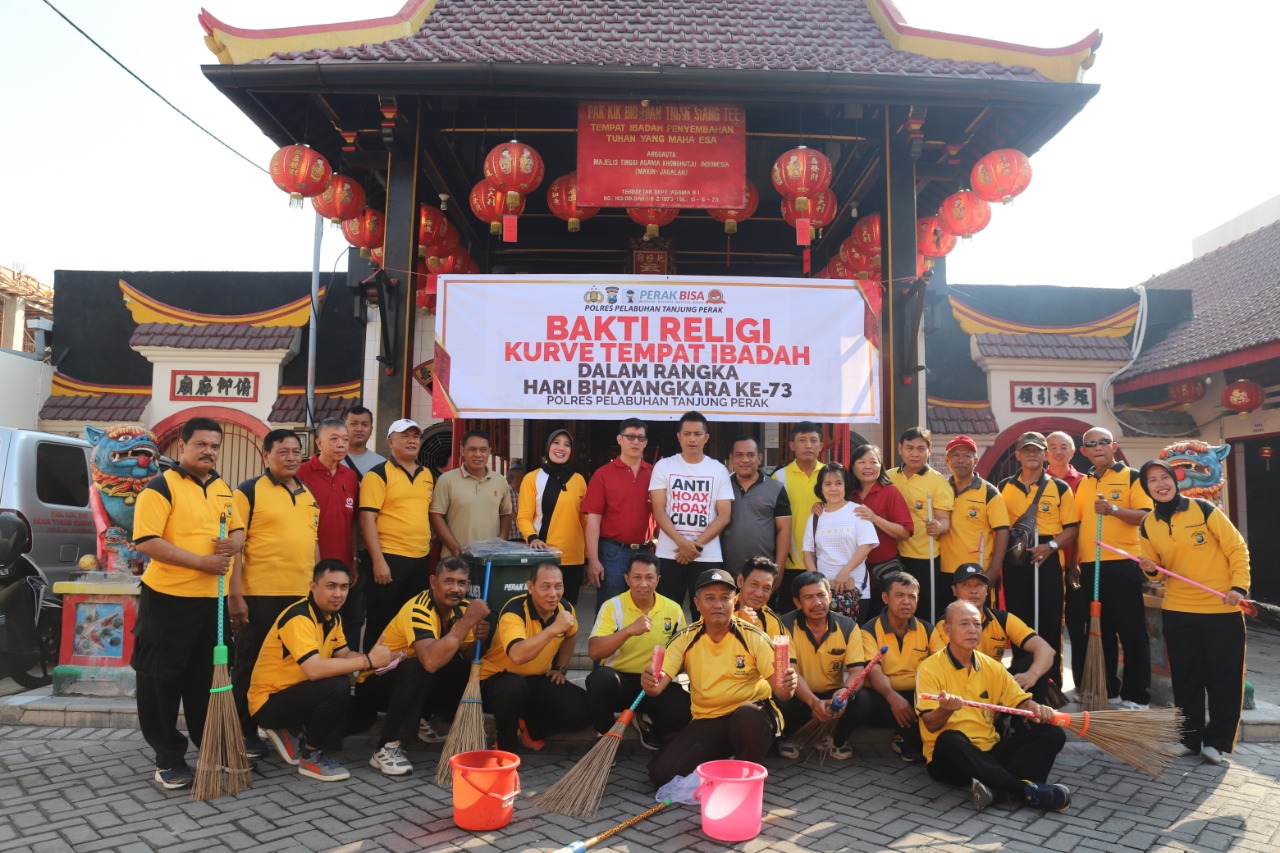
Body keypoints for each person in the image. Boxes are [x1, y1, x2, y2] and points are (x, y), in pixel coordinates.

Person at [131, 417, 246, 790]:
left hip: (210, 604)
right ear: (182, 446)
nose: (209, 451)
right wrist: (201, 563)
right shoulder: (160, 488)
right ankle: (169, 757)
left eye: (215, 445)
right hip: (167, 601)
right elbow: (147, 541)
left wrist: (235, 544)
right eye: (201, 444)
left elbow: (240, 529)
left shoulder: (223, 488)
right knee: (160, 683)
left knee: (207, 683)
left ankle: (211, 747)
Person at [1138, 459, 1250, 765]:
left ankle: (1218, 742)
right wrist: (1149, 570)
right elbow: (1156, 573)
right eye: (1152, 481)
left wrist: (1239, 587)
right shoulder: (1148, 524)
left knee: (1223, 678)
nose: (1160, 484)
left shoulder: (1203, 510)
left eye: (1165, 477)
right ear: (1146, 488)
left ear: (1175, 480)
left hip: (1221, 609)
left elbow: (1236, 548)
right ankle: (1189, 738)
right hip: (1178, 610)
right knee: (1186, 678)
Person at [644, 568, 797, 787]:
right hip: (708, 719)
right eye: (710, 598)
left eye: (725, 598)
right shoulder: (684, 639)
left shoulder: (754, 637)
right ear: (697, 603)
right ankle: (725, 760)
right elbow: (657, 687)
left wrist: (788, 686)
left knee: (748, 716)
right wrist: (649, 682)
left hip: (750, 716)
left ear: (734, 601)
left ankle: (744, 771)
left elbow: (782, 691)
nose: (718, 605)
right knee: (661, 775)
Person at [917, 600, 1071, 813]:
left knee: (1052, 734)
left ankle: (998, 791)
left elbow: (1021, 701)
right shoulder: (928, 668)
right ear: (947, 629)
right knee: (950, 738)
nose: (972, 630)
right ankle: (1025, 790)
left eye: (977, 624)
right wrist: (946, 709)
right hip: (952, 760)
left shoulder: (992, 666)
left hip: (990, 752)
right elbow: (930, 724)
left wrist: (1037, 708)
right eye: (964, 624)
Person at [249, 561, 391, 782]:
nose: (338, 594)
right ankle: (311, 755)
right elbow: (314, 670)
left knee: (363, 713)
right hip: (269, 702)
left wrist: (376, 661)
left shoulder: (332, 617)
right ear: (313, 586)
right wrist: (367, 660)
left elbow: (343, 655)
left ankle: (297, 732)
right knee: (337, 686)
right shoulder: (299, 617)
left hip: (298, 695)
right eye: (331, 586)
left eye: (344, 587)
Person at [228, 429, 321, 758]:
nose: (292, 457)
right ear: (266, 455)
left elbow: (313, 545)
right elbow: (235, 548)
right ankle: (242, 729)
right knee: (249, 665)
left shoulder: (308, 495)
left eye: (297, 451)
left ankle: (279, 723)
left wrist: (317, 589)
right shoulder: (248, 492)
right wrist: (235, 594)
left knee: (290, 665)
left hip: (299, 598)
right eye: (283, 451)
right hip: (259, 594)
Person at [363, 556, 490, 776]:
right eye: (448, 581)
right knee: (419, 666)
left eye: (461, 583)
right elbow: (430, 662)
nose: (455, 589)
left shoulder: (464, 608)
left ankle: (427, 717)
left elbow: (469, 656)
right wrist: (468, 622)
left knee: (464, 669)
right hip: (375, 683)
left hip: (410, 683)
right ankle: (386, 748)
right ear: (433, 582)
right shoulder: (419, 608)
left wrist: (481, 638)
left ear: (468, 585)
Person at [1074, 427, 1154, 710]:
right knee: (1100, 630)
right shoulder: (1084, 483)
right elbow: (1079, 524)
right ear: (1083, 451)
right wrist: (1074, 564)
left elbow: (1146, 516)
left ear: (1114, 446)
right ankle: (1108, 690)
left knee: (1131, 632)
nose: (1098, 447)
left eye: (1103, 442)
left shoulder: (1132, 477)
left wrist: (1114, 510)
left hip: (1122, 563)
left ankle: (1137, 696)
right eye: (1091, 444)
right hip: (1091, 565)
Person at [479, 561, 589, 753]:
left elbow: (571, 636)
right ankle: (506, 747)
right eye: (545, 587)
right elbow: (518, 655)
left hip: (535, 680)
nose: (553, 594)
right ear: (531, 587)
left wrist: (561, 668)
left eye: (558, 586)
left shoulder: (565, 608)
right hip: (497, 680)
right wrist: (554, 628)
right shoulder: (514, 611)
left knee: (584, 709)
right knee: (512, 687)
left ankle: (530, 728)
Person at [586, 553, 690, 750]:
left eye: (649, 578)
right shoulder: (612, 606)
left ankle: (645, 720)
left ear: (658, 580)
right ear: (627, 579)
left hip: (653, 683)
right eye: (637, 577)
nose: (643, 584)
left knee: (684, 706)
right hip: (620, 682)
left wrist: (662, 675)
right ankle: (604, 734)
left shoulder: (674, 609)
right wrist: (628, 631)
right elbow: (594, 652)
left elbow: (683, 658)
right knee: (600, 679)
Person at [998, 431, 1078, 682]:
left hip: (1048, 558)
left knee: (1049, 620)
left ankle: (1050, 680)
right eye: (1027, 450)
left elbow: (1073, 528)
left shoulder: (1060, 487)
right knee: (1019, 620)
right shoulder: (1004, 487)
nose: (1032, 454)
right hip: (1016, 560)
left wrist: (1051, 546)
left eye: (1037, 450)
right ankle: (1022, 676)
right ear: (1018, 455)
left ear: (1045, 455)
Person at [848, 571, 943, 762]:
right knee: (863, 699)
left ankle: (908, 740)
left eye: (912, 596)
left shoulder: (928, 629)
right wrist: (892, 697)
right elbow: (874, 671)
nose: (906, 602)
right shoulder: (868, 630)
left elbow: (943, 665)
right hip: (883, 696)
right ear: (885, 598)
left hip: (917, 696)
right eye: (899, 595)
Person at [359, 419, 435, 653]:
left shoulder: (427, 475)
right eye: (405, 436)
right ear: (390, 442)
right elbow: (366, 519)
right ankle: (370, 679)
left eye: (415, 436)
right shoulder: (378, 475)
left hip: (420, 559)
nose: (412, 440)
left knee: (412, 621)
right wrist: (378, 561)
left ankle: (401, 673)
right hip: (389, 559)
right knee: (381, 621)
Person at [931, 564, 1057, 703]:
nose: (973, 591)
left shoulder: (1003, 619)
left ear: (986, 589)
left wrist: (1032, 675)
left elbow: (1046, 650)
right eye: (966, 585)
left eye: (979, 585)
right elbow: (952, 670)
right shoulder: (946, 625)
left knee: (1036, 661)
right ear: (954, 590)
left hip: (997, 683)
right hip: (965, 691)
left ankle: (1026, 721)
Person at [777, 571, 867, 761]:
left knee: (863, 699)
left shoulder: (849, 626)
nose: (817, 603)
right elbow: (789, 670)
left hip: (833, 696)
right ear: (797, 602)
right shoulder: (783, 625)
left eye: (821, 595)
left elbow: (857, 671)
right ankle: (794, 737)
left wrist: (844, 693)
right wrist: (812, 702)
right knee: (782, 689)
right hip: (800, 696)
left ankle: (836, 740)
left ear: (830, 596)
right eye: (808, 597)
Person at [650, 411, 734, 611]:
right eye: (687, 434)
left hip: (707, 555)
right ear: (679, 436)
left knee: (706, 614)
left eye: (697, 434)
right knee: (667, 613)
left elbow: (724, 515)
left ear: (706, 438)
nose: (692, 439)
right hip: (670, 553)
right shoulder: (664, 466)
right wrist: (682, 544)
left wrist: (695, 547)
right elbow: (658, 510)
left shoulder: (718, 469)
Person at [297, 418, 362, 649]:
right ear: (319, 443)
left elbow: (354, 522)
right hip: (310, 564)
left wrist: (354, 560)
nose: (341, 445)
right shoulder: (301, 473)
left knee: (347, 620)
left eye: (345, 439)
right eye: (334, 439)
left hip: (343, 563)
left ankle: (347, 669)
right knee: (311, 619)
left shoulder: (351, 476)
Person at [583, 417, 655, 614]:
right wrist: (593, 560)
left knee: (642, 611)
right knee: (610, 610)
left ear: (646, 442)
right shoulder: (603, 474)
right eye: (630, 436)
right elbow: (594, 519)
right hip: (612, 552)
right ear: (619, 439)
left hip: (644, 552)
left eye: (640, 437)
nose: (635, 441)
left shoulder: (655, 474)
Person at [937, 435, 1009, 623]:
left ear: (975, 460)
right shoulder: (940, 489)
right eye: (955, 455)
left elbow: (1002, 531)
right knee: (947, 624)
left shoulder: (990, 492)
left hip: (976, 573)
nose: (960, 460)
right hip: (944, 570)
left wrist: (993, 570)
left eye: (967, 455)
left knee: (977, 624)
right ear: (947, 460)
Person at [887, 427, 953, 620]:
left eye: (920, 448)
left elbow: (945, 520)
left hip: (924, 556)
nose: (915, 454)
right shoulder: (888, 477)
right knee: (894, 608)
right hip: (893, 555)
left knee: (923, 609)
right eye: (909, 448)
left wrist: (938, 527)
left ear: (929, 450)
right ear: (900, 448)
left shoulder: (939, 482)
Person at [518, 429, 588, 606]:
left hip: (573, 558)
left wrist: (587, 557)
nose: (561, 448)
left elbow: (585, 521)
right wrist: (532, 537)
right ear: (548, 446)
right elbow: (523, 517)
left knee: (567, 612)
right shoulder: (531, 478)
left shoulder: (578, 480)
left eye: (567, 444)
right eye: (556, 442)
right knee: (541, 610)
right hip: (544, 555)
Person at [802, 463, 879, 621]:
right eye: (828, 484)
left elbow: (866, 546)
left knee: (853, 638)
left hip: (856, 588)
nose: (833, 489)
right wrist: (817, 581)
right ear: (821, 488)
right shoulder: (815, 517)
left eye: (838, 483)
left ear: (846, 486)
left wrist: (844, 572)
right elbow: (808, 551)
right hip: (824, 593)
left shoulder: (857, 512)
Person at [848, 444, 913, 621]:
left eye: (873, 462)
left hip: (884, 572)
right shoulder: (846, 494)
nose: (868, 467)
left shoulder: (890, 492)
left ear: (881, 466)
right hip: (852, 573)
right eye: (862, 462)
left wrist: (875, 518)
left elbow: (905, 532)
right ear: (853, 466)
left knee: (884, 621)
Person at [430, 428, 513, 558]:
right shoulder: (446, 480)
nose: (478, 454)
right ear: (462, 450)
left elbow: (506, 514)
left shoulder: (500, 481)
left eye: (483, 450)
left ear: (489, 452)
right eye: (472, 449)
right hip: (455, 558)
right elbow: (435, 515)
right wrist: (454, 547)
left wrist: (501, 544)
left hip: (489, 559)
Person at [1046, 431, 1089, 680]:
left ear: (1073, 452)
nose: (1058, 451)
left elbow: (1084, 525)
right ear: (1045, 453)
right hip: (1048, 562)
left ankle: (1083, 680)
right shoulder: (1038, 481)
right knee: (1050, 624)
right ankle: (1052, 680)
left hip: (1079, 564)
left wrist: (1076, 562)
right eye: (1052, 447)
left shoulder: (1085, 482)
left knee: (1078, 625)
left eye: (1064, 446)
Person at [721, 436, 791, 576]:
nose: (745, 460)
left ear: (759, 458)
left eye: (751, 455)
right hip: (725, 572)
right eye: (739, 455)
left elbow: (784, 530)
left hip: (763, 573)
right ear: (732, 458)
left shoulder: (776, 488)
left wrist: (779, 570)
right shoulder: (721, 486)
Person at [772, 421, 824, 609]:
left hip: (824, 562)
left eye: (813, 440)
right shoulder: (780, 477)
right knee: (789, 617)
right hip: (790, 562)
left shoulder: (830, 475)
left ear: (821, 445)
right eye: (802, 440)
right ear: (792, 445)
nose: (808, 445)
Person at [734, 556, 785, 638]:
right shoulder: (720, 610)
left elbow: (778, 651)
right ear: (740, 581)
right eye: (754, 585)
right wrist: (742, 625)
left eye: (766, 588)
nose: (759, 594)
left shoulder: (772, 622)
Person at [342, 405, 386, 477]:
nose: (359, 429)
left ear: (371, 430)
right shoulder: (332, 460)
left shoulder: (381, 463)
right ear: (344, 428)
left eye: (365, 425)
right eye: (353, 424)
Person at [506, 461, 526, 541]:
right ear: (512, 478)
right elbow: (509, 510)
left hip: (523, 535)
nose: (523, 478)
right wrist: (522, 524)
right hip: (511, 533)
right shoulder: (507, 491)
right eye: (520, 476)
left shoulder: (524, 491)